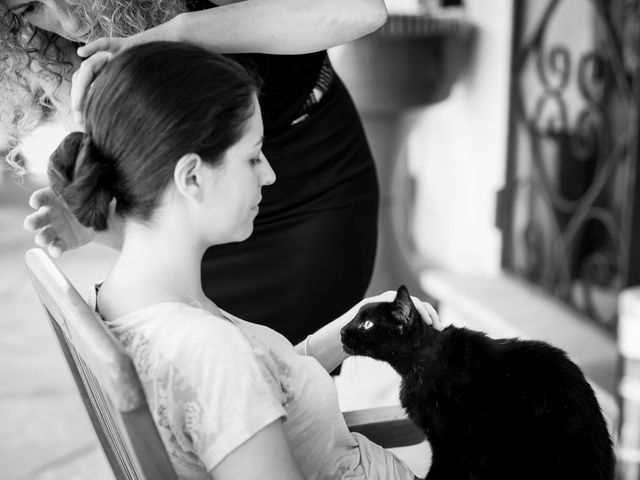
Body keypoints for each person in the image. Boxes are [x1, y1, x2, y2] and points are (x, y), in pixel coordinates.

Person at [47, 41, 442, 480]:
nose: (269, 174)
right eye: (253, 156)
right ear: (192, 176)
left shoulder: (126, 296)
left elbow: (268, 380)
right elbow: (233, 374)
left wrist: (358, 322)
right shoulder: (213, 353)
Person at [3, 0, 386, 343]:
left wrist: (176, 35)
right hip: (195, 223)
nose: (69, 23)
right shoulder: (52, 46)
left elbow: (363, 11)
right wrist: (111, 218)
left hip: (308, 187)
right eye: (31, 8)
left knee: (285, 379)